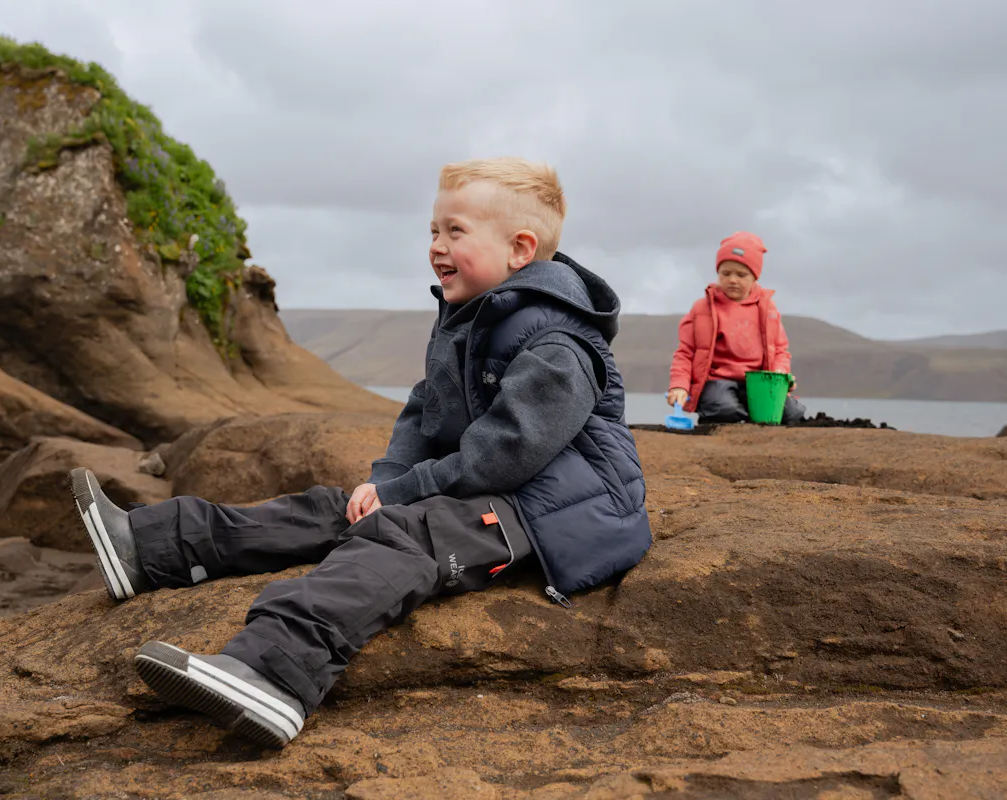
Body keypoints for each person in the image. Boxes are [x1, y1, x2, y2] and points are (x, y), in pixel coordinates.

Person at [67, 157, 651, 749]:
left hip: (550, 512)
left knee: (401, 538)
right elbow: (426, 408)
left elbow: (508, 453)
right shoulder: (472, 314)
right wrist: (386, 481)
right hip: (492, 487)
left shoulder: (558, 340)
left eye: (455, 232)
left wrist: (402, 496)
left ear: (520, 248)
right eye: (433, 230)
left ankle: (273, 675)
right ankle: (151, 549)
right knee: (337, 508)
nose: (436, 246)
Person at [666, 231, 806, 424]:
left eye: (741, 275)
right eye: (725, 273)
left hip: (759, 383)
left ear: (754, 278)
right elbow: (685, 352)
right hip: (718, 382)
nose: (732, 280)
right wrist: (679, 386)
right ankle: (739, 415)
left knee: (792, 413)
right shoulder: (703, 308)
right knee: (724, 410)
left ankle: (750, 414)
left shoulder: (767, 309)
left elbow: (780, 350)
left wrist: (781, 375)